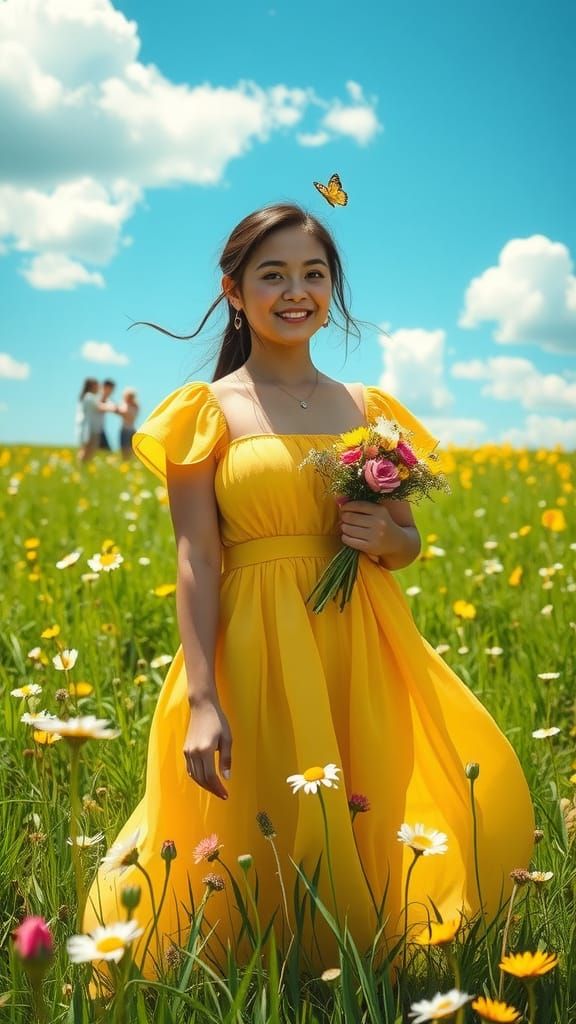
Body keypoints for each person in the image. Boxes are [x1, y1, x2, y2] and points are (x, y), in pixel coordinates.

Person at [85, 203, 534, 974]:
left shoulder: (369, 409)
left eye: (314, 274)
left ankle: (364, 964)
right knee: (263, 810)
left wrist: (389, 539)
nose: (297, 291)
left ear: (332, 289)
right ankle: (256, 973)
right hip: (253, 640)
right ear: (234, 291)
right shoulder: (207, 410)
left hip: (360, 636)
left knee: (368, 797)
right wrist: (200, 697)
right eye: (273, 274)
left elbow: (407, 542)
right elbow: (195, 557)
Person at [75, 377, 101, 462]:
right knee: (86, 449)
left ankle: (83, 466)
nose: (99, 387)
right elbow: (99, 407)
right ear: (92, 386)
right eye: (97, 385)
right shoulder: (89, 397)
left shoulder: (88, 397)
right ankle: (81, 466)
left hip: (88, 427)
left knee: (87, 449)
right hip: (88, 428)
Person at [116, 386, 140, 458]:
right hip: (127, 429)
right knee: (125, 450)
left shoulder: (134, 406)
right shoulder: (128, 405)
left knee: (129, 450)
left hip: (128, 430)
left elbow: (125, 413)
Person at [98, 379, 117, 451]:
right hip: (91, 429)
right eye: (111, 389)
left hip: (99, 429)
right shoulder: (97, 396)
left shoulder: (107, 399)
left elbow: (113, 405)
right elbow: (99, 407)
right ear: (105, 387)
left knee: (105, 450)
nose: (112, 392)